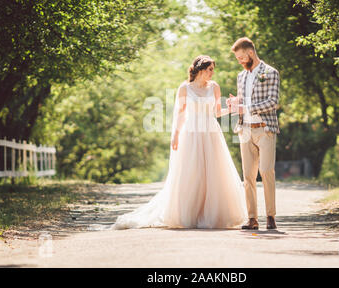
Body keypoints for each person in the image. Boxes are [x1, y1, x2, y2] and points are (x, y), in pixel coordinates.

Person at [111, 55, 247, 229]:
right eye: (210, 69)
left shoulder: (214, 87)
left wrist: (234, 108)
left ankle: (211, 214)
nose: (212, 73)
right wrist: (175, 135)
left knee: (213, 173)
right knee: (192, 172)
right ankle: (189, 213)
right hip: (190, 132)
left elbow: (218, 113)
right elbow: (180, 114)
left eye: (213, 69)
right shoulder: (185, 88)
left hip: (210, 131)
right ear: (200, 70)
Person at [226, 37, 280, 230]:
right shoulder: (241, 76)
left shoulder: (271, 72)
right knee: (248, 176)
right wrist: (235, 104)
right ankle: (252, 219)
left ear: (250, 53)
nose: (240, 61)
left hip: (265, 128)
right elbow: (242, 102)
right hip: (245, 130)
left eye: (241, 57)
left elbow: (274, 102)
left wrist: (247, 106)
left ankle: (270, 216)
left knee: (266, 171)